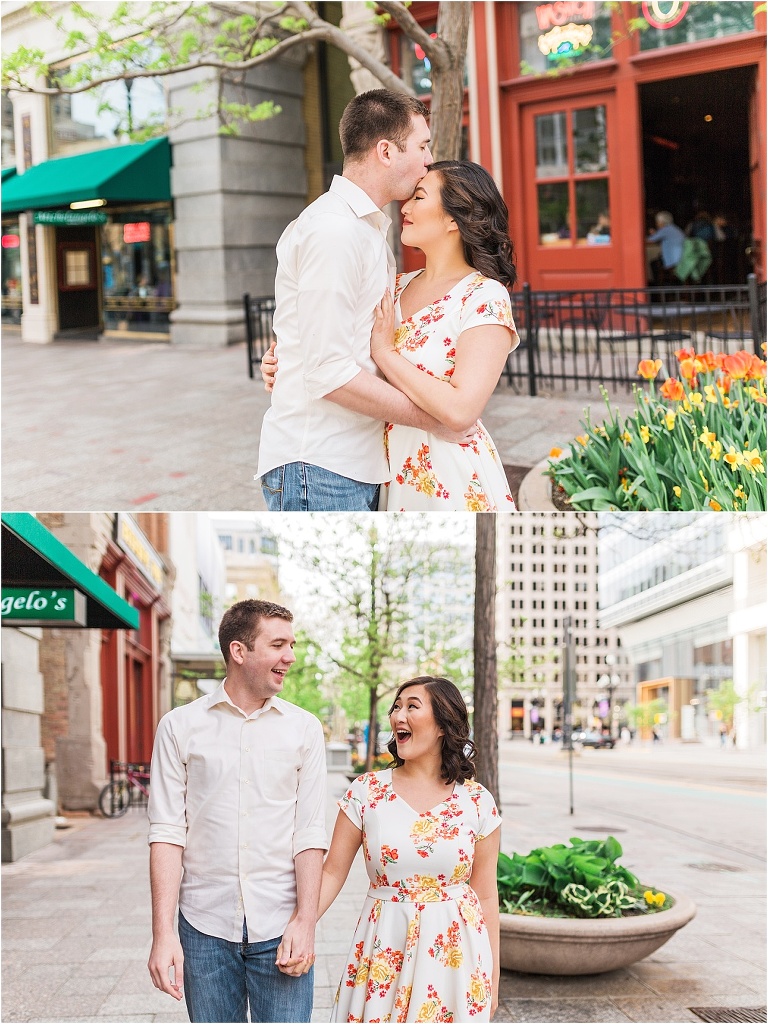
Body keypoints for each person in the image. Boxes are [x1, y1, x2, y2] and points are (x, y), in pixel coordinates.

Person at [256, 89, 473, 512]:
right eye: (423, 145)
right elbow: (328, 372)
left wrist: (288, 358)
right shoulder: (334, 231)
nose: (429, 158)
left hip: (350, 462)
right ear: (387, 151)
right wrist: (437, 421)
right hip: (319, 463)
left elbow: (321, 341)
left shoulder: (366, 229)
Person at [265, 161, 520, 511]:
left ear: (453, 218)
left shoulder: (484, 297)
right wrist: (285, 361)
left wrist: (386, 352)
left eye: (419, 197)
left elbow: (461, 410)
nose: (406, 207)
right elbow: (332, 345)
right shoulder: (394, 286)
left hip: (447, 473)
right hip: (383, 469)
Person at [146, 599, 328, 1023]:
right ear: (239, 651)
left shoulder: (304, 729)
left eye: (292, 645)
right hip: (204, 924)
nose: (291, 657)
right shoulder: (179, 726)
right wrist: (163, 934)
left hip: (280, 925)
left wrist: (306, 921)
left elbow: (310, 834)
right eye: (278, 644)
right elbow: (168, 833)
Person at [317, 675, 501, 1022]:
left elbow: (487, 896)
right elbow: (331, 871)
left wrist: (493, 979)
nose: (398, 716)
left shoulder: (477, 801)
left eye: (412, 707)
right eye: (396, 707)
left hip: (456, 957)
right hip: (384, 947)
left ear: (443, 724)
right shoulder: (367, 791)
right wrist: (299, 925)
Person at [646, 211, 685, 283]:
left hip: (674, 260)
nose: (657, 224)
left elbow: (649, 241)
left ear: (662, 222)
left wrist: (653, 234)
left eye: (657, 222)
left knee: (653, 264)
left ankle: (658, 286)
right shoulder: (674, 228)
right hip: (681, 257)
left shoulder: (665, 229)